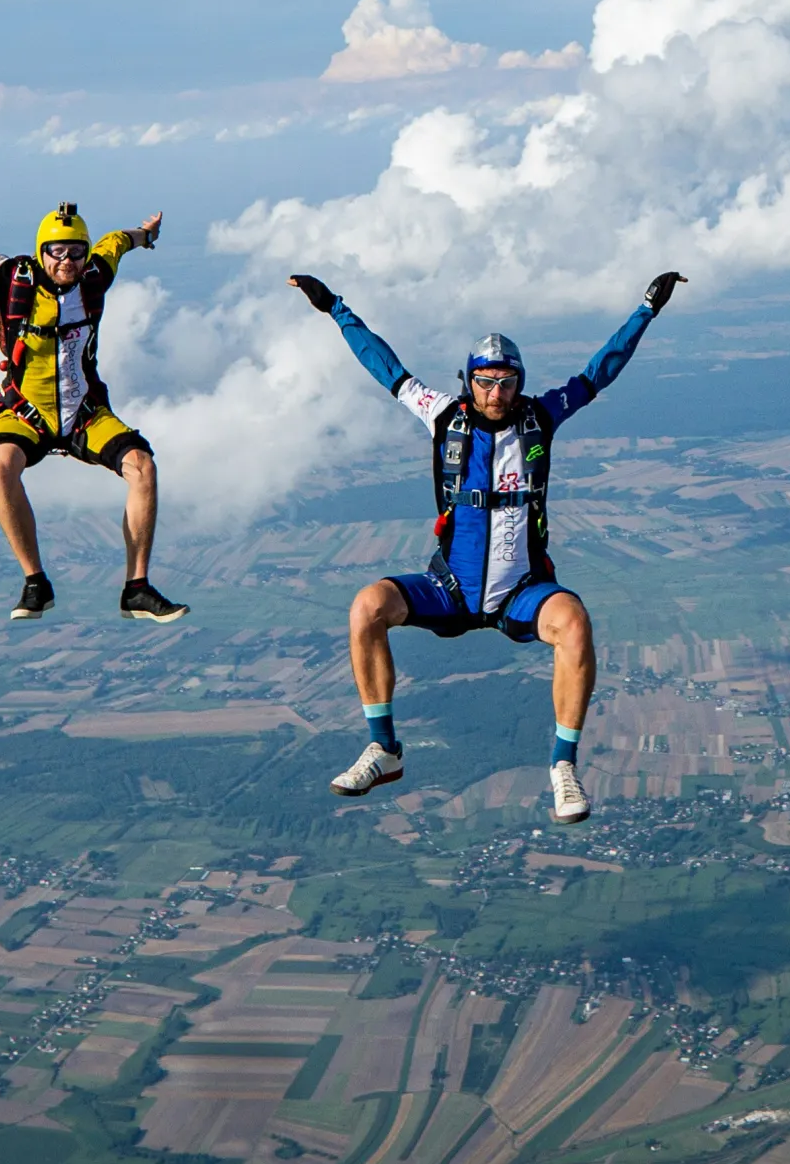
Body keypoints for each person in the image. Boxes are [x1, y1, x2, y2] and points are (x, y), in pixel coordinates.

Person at [288, 270, 687, 823]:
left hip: (521, 589)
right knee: (366, 607)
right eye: (484, 381)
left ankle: (563, 766)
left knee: (573, 621)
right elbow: (385, 366)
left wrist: (646, 309)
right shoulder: (443, 415)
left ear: (518, 383)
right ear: (468, 381)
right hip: (449, 588)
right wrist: (335, 308)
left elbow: (599, 371)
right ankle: (384, 749)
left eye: (505, 381)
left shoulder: (540, 418)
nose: (494, 392)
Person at [0, 199, 188, 623]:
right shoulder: (13, 277)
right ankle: (35, 582)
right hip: (26, 409)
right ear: (41, 251)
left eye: (76, 252)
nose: (67, 261)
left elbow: (120, 241)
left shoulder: (95, 273)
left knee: (142, 466)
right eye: (57, 251)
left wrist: (148, 236)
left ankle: (136, 589)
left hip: (84, 410)